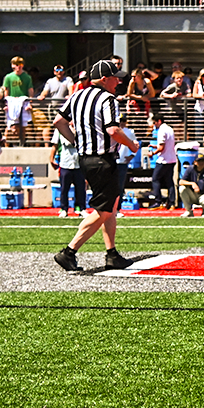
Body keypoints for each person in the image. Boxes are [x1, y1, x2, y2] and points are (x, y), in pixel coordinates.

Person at [50, 61, 138, 273]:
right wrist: (132, 145)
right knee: (104, 210)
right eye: (115, 77)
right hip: (102, 159)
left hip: (86, 159)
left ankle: (112, 254)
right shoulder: (108, 99)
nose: (119, 81)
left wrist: (75, 141)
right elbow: (113, 131)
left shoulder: (77, 95)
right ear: (104, 79)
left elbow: (58, 122)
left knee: (111, 207)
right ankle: (69, 251)